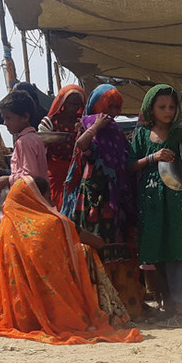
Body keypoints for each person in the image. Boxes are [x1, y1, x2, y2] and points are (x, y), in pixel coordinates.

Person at [0, 176, 142, 344]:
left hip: (17, 313)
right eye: (48, 196)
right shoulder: (55, 222)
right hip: (54, 306)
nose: (52, 201)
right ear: (37, 197)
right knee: (86, 251)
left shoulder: (6, 225)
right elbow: (97, 243)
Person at [62, 85, 145, 320]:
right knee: (95, 248)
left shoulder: (117, 132)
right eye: (109, 105)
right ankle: (96, 308)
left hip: (114, 199)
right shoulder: (88, 124)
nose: (114, 110)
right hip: (92, 200)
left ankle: (124, 306)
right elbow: (81, 146)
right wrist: (96, 126)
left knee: (118, 250)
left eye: (117, 106)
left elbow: (128, 161)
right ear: (97, 106)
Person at [131, 84, 182, 317]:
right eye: (161, 107)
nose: (168, 111)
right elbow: (129, 164)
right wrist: (152, 157)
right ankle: (166, 306)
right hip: (151, 200)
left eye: (172, 107)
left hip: (178, 200)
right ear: (150, 108)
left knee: (180, 247)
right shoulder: (142, 134)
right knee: (155, 250)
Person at [38, 85, 87, 208]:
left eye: (77, 105)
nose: (74, 108)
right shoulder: (49, 122)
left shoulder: (83, 123)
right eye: (71, 104)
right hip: (55, 173)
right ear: (63, 102)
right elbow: (40, 148)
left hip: (77, 172)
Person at [0, 90, 47, 196]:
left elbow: (30, 176)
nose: (5, 123)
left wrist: (8, 179)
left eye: (8, 118)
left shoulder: (24, 141)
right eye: (3, 118)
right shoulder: (34, 138)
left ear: (25, 117)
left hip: (30, 199)